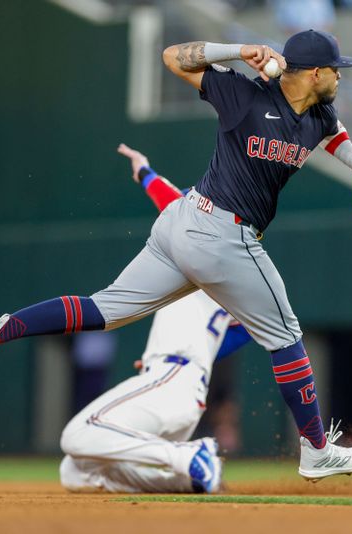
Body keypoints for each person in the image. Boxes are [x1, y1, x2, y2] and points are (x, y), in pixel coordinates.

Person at [0, 29, 352, 483]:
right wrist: (237, 52)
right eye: (337, 71)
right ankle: (316, 450)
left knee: (104, 309)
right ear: (317, 72)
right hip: (223, 233)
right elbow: (172, 58)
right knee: (286, 337)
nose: (341, 78)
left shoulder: (320, 113)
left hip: (182, 224)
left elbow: (334, 135)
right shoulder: (243, 94)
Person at [60, 144, 252, 493]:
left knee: (76, 433)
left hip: (173, 378)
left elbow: (170, 200)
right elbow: (247, 331)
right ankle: (188, 478)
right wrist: (198, 354)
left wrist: (144, 172)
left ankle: (188, 457)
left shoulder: (208, 239)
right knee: (75, 471)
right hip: (180, 384)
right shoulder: (241, 263)